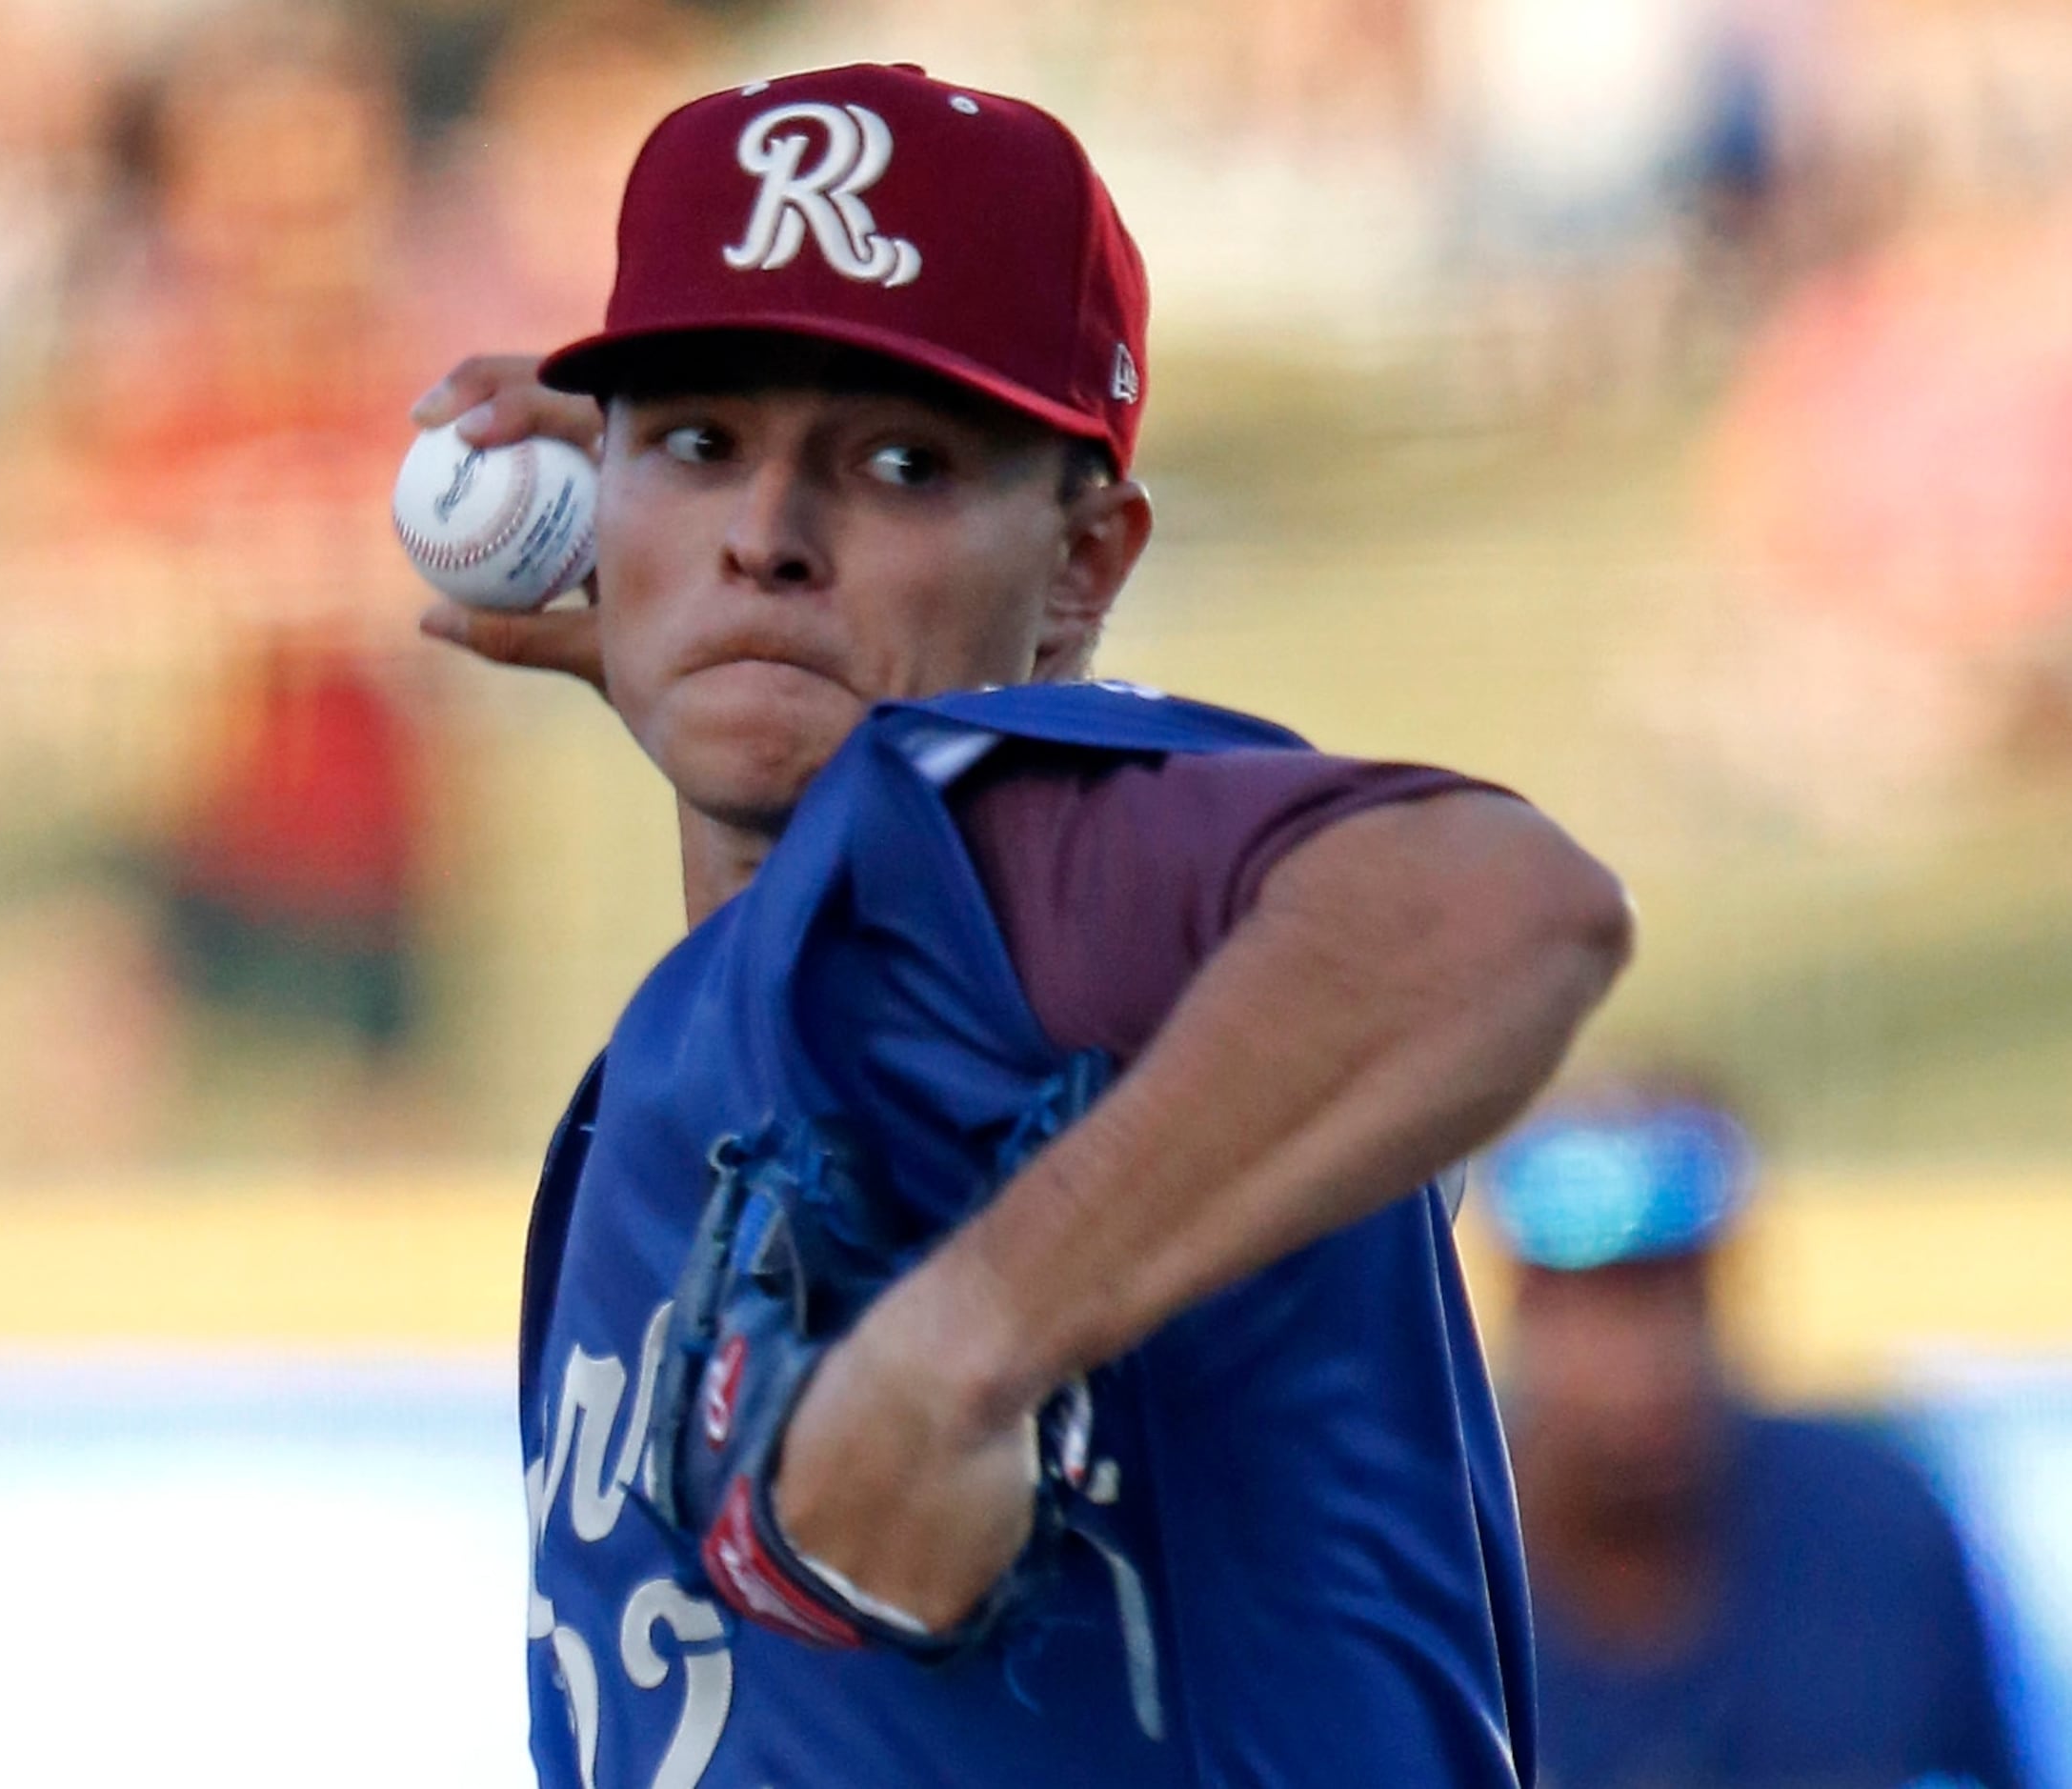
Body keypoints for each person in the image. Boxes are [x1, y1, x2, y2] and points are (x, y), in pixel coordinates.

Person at [411, 64, 1631, 1787]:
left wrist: (958, 1346)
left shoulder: (995, 825)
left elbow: (1498, 905)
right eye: (700, 442)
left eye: (900, 465)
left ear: (1082, 564)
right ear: (594, 496)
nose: (768, 534)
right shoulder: (732, 1009)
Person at [1485, 1086, 2030, 1789]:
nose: (1645, 1356)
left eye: (1675, 1293)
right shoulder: (1433, 1559)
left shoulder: (1875, 1531)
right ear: (1526, 1308)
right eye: (1599, 1304)